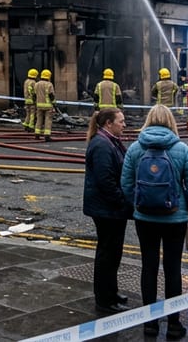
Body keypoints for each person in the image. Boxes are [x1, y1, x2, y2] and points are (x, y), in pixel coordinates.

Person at [121, 104, 188, 340]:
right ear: (170, 121)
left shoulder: (135, 148)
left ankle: (150, 324)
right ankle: (174, 323)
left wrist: (138, 204)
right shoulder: (181, 149)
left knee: (149, 266)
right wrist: (186, 205)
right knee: (173, 268)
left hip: (145, 218)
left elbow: (126, 184)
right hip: (175, 217)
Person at [82, 107, 133, 314]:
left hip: (110, 208)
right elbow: (106, 180)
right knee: (107, 254)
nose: (124, 124)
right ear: (108, 124)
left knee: (113, 252)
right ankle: (104, 298)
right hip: (106, 209)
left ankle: (111, 292)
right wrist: (122, 201)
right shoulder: (102, 145)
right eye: (120, 121)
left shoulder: (109, 140)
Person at [34, 69, 56, 141]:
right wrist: (54, 103)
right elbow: (51, 95)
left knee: (39, 119)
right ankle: (47, 135)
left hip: (39, 105)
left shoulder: (36, 84)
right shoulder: (49, 84)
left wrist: (35, 103)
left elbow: (34, 95)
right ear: (49, 76)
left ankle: (37, 134)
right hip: (48, 105)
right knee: (48, 120)